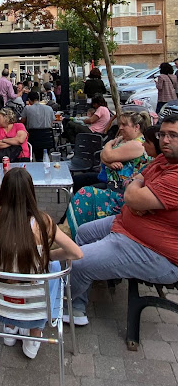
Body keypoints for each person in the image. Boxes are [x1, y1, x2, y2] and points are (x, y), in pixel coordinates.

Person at [64, 114, 178, 327]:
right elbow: (138, 178)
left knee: (77, 260)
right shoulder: (165, 159)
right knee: (83, 233)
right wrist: (138, 193)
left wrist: (137, 194)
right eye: (163, 134)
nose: (165, 140)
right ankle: (77, 302)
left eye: (173, 135)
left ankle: (67, 303)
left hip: (154, 251)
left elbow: (131, 194)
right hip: (127, 225)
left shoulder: (174, 175)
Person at [0, 168, 82, 358]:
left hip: (0, 309)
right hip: (34, 308)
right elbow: (76, 253)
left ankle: (9, 328)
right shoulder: (43, 222)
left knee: (7, 267)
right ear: (31, 192)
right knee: (54, 268)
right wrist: (47, 256)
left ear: (3, 191)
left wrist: (2, 250)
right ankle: (34, 334)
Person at [66, 110, 150, 239]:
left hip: (119, 190)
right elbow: (103, 156)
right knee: (77, 181)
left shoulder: (137, 144)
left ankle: (68, 229)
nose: (120, 128)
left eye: (124, 125)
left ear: (136, 127)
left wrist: (109, 147)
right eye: (119, 124)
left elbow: (106, 154)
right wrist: (108, 162)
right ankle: (67, 224)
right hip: (110, 181)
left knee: (83, 192)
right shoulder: (125, 140)